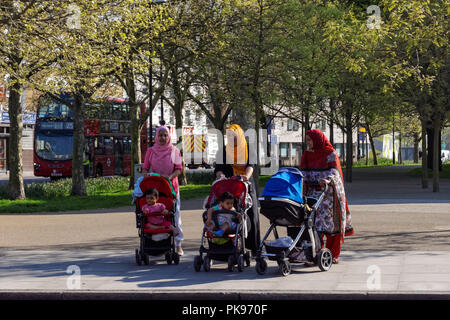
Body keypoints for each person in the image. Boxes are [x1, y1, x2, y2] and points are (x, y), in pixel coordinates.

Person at [299, 129, 354, 265]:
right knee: (312, 224)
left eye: (310, 140)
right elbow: (302, 172)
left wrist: (328, 180)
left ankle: (333, 254)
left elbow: (334, 171)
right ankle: (313, 254)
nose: (308, 143)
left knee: (331, 225)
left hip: (329, 194)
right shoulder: (306, 154)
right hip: (312, 193)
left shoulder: (330, 153)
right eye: (307, 140)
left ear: (317, 140)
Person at [214, 124, 260, 255]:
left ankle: (254, 247)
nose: (231, 139)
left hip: (244, 186)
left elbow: (251, 165)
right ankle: (226, 243)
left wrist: (246, 176)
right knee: (227, 214)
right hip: (228, 187)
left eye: (233, 136)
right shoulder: (224, 150)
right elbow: (218, 168)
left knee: (250, 214)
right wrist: (220, 175)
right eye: (228, 136)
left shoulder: (248, 148)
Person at [142, 126, 184, 255]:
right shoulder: (151, 151)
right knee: (153, 214)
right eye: (160, 135)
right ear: (156, 136)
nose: (162, 138)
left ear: (169, 136)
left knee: (174, 216)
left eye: (165, 135)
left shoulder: (175, 151)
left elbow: (179, 168)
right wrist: (146, 176)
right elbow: (145, 168)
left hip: (171, 188)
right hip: (155, 189)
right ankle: (152, 242)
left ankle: (178, 244)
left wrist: (170, 177)